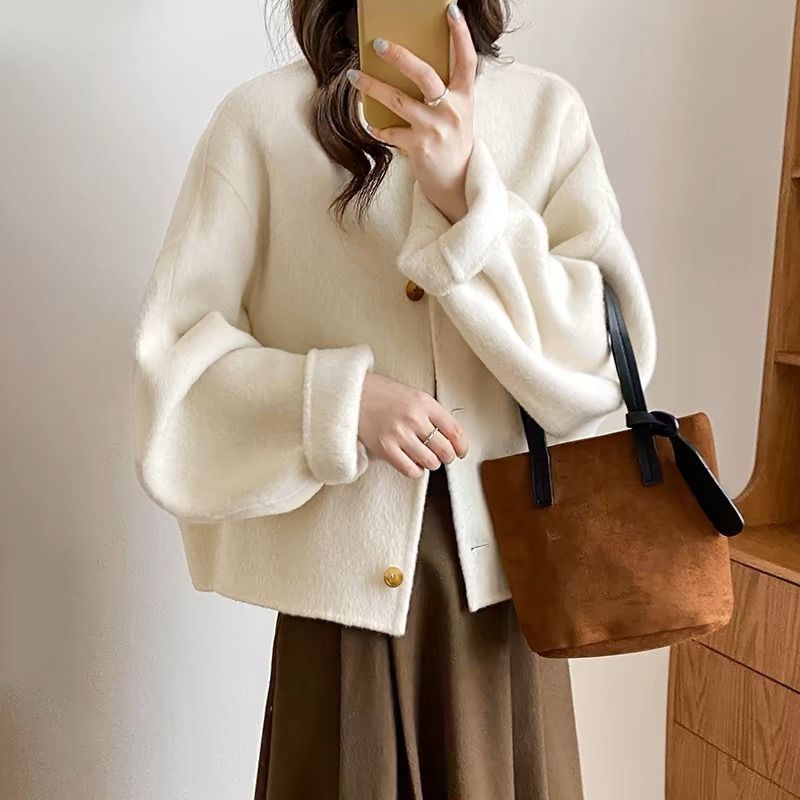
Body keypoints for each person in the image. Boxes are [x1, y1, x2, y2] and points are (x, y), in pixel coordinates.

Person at [130, 0, 658, 797]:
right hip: (339, 605)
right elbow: (172, 372)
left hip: (509, 590)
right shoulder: (261, 121)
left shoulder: (546, 114)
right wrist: (336, 403)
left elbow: (603, 364)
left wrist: (468, 202)